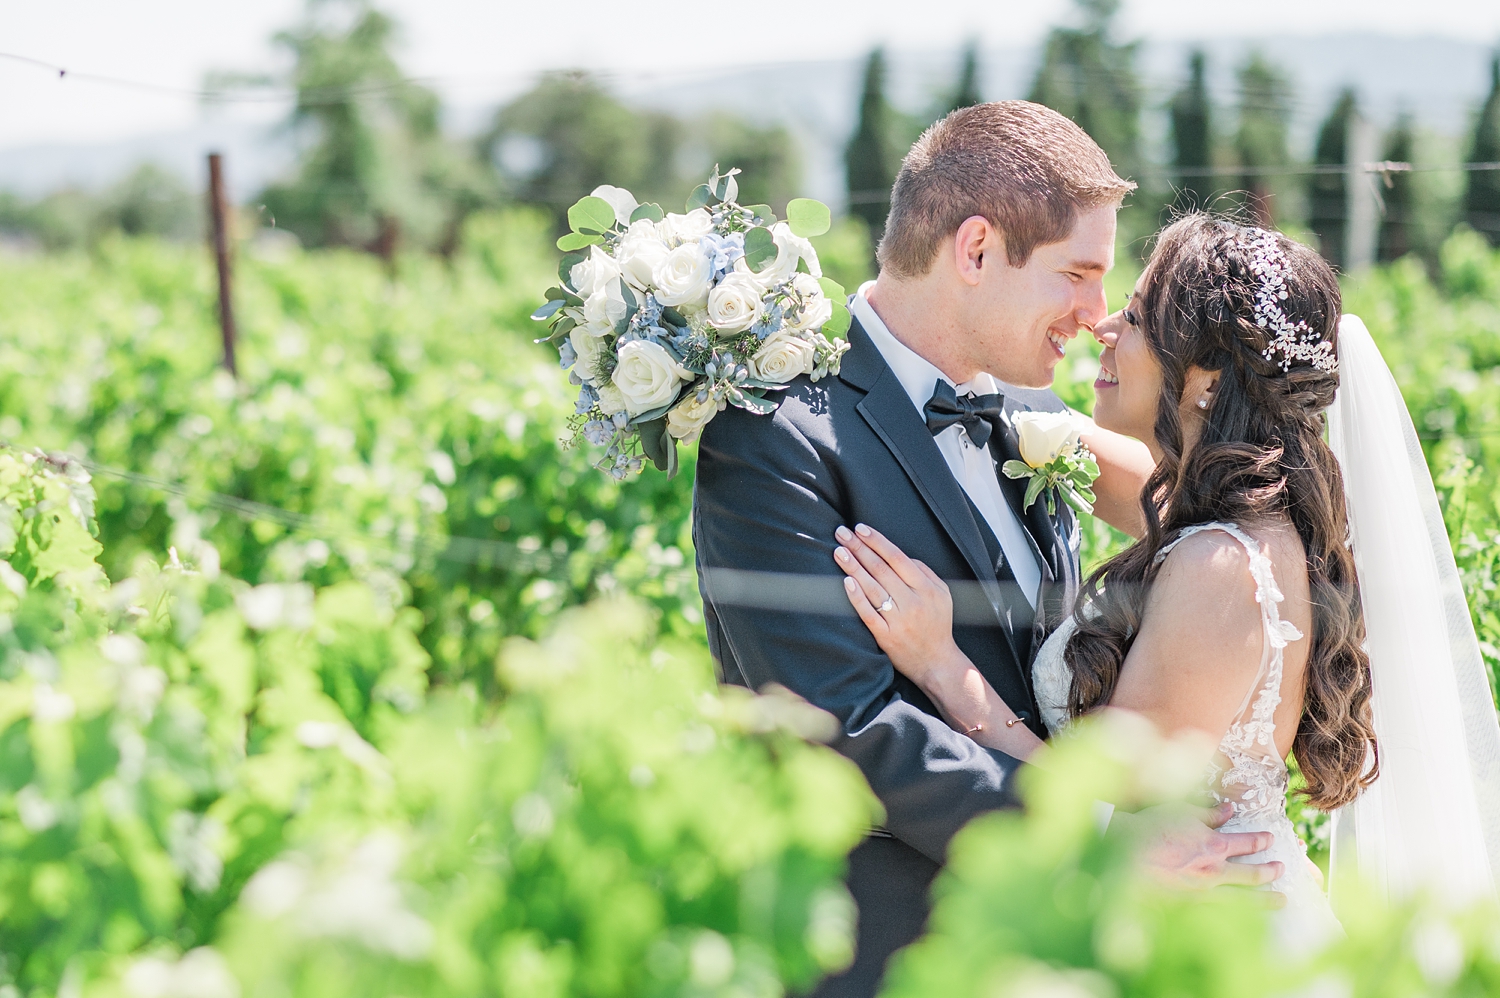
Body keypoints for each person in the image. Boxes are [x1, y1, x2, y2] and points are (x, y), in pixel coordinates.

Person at [692, 104, 1284, 998]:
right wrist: (1087, 840)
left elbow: (1222, 521)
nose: (1096, 316)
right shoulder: (774, 435)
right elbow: (846, 729)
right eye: (1077, 275)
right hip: (884, 954)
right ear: (975, 251)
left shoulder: (1038, 424)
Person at [833, 214, 1500, 948]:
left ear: (1205, 379)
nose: (1104, 326)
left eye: (1140, 316)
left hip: (1212, 940)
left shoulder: (1221, 566)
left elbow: (1089, 801)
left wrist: (939, 662)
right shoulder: (1216, 504)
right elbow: (999, 412)